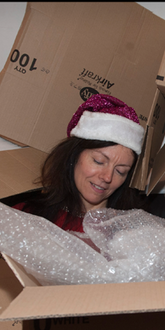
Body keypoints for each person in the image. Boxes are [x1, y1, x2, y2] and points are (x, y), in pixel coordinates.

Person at [12, 94, 145, 233]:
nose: (107, 177)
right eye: (99, 161)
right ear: (74, 155)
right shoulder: (26, 216)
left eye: (120, 171)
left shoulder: (130, 234)